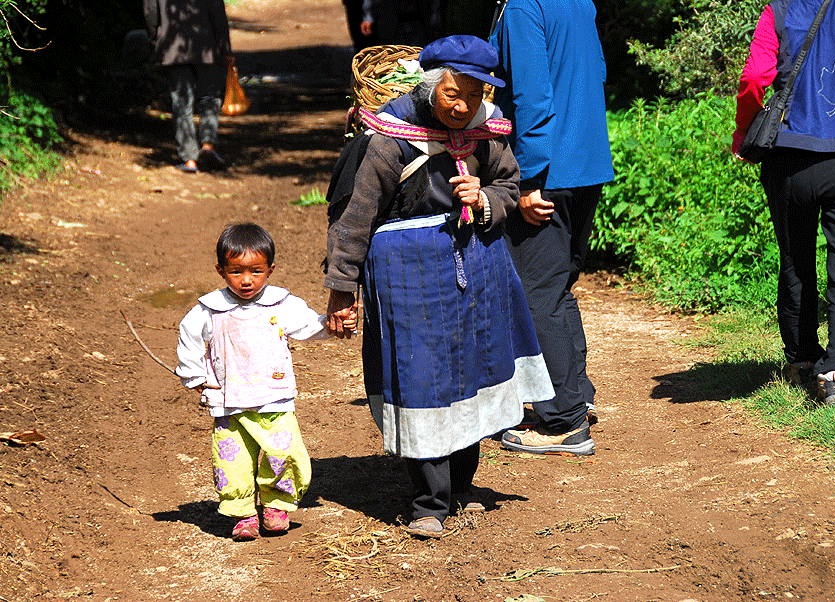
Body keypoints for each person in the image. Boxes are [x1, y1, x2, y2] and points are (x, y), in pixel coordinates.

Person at [324, 35, 554, 539]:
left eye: (475, 96)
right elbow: (354, 214)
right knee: (422, 376)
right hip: (408, 277)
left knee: (472, 369)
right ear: (430, 85)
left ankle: (464, 487)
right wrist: (343, 288)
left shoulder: (486, 132)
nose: (463, 106)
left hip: (477, 267)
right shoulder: (389, 137)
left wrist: (486, 195)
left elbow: (510, 188)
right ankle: (429, 500)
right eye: (454, 93)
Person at [733, 0, 835, 405]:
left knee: (795, 259)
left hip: (793, 156)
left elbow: (756, 77)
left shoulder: (778, 9)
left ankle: (803, 362)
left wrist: (743, 132)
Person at [489, 0, 614, 455]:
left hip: (549, 175)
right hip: (587, 164)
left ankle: (564, 421)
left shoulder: (525, 6)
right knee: (557, 287)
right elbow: (594, 75)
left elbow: (532, 95)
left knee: (537, 293)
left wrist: (528, 178)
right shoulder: (578, 2)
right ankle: (577, 398)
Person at [176, 223, 334, 541]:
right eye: (236, 271)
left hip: (273, 398)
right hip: (228, 402)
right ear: (221, 270)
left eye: (256, 271)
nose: (246, 280)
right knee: (231, 460)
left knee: (286, 453)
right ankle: (243, 513)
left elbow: (308, 326)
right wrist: (195, 378)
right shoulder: (208, 310)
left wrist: (331, 323)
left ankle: (276, 505)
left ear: (270, 269)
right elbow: (189, 338)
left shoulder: (281, 304)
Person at [144, 0, 232, 173]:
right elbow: (217, 12)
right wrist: (225, 48)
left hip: (172, 46)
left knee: (181, 103)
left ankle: (189, 159)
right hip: (206, 45)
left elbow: (150, 12)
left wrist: (155, 39)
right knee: (209, 97)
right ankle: (208, 145)